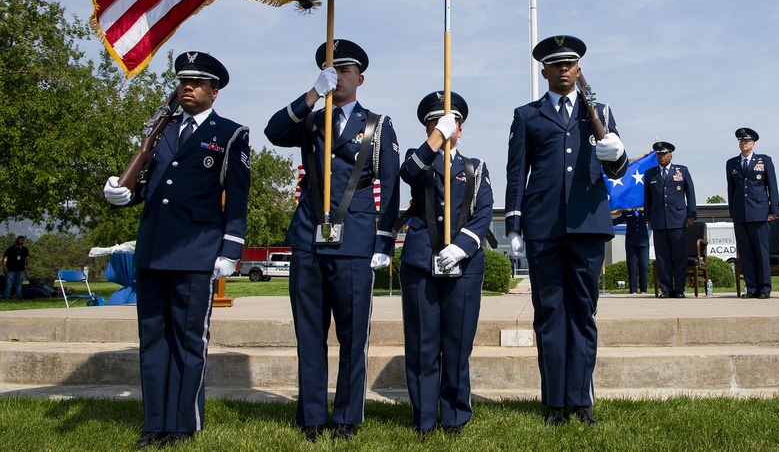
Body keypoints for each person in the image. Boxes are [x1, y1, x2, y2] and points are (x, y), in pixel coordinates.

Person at [103, 52, 250, 449]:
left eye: (198, 82)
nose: (188, 87)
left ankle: (183, 423)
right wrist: (122, 191)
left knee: (188, 342)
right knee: (152, 339)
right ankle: (155, 424)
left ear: (214, 92)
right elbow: (151, 186)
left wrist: (230, 249)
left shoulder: (231, 134)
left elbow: (237, 198)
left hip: (196, 251)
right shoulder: (161, 130)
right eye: (184, 80)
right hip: (152, 250)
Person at [265, 39, 400, 441]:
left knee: (352, 335)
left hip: (354, 241)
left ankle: (346, 416)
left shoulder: (376, 125)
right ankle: (311, 417)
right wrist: (311, 94)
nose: (338, 76)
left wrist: (383, 242)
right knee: (309, 334)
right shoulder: (311, 119)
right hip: (309, 236)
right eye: (331, 69)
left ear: (360, 77)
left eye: (345, 70)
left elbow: (390, 187)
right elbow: (274, 131)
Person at [505, 35, 628, 426]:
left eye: (570, 63)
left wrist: (618, 154)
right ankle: (555, 402)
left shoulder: (600, 111)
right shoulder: (527, 115)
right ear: (543, 71)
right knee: (550, 312)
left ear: (578, 69)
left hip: (588, 224)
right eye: (555, 64)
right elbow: (516, 173)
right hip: (544, 226)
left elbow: (615, 169)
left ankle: (581, 398)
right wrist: (514, 222)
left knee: (583, 312)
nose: (563, 70)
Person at [398, 91, 494, 436]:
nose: (445, 129)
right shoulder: (418, 158)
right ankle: (423, 418)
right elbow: (410, 172)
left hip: (464, 267)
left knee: (456, 345)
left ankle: (454, 415)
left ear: (461, 129)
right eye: (435, 124)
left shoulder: (475, 168)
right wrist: (436, 138)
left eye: (452, 124)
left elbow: (483, 213)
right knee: (423, 344)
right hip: (421, 261)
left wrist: (463, 247)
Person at [726, 127, 779, 299]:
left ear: (753, 143)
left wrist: (774, 210)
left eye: (747, 141)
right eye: (741, 141)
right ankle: (751, 288)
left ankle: (764, 288)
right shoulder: (732, 163)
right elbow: (731, 189)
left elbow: (772, 186)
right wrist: (732, 211)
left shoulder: (764, 160)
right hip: (740, 213)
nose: (744, 143)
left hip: (760, 212)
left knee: (761, 252)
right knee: (746, 252)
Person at [644, 141, 697, 298]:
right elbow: (647, 198)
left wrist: (691, 215)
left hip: (678, 220)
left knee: (680, 256)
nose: (661, 157)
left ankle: (679, 289)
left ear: (670, 155)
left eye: (664, 154)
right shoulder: (650, 174)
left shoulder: (681, 171)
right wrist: (648, 218)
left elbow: (690, 194)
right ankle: (666, 289)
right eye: (659, 154)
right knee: (662, 257)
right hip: (659, 221)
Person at [615, 209, 648, 294]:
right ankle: (633, 290)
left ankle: (643, 289)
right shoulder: (627, 212)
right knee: (632, 267)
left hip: (643, 242)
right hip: (631, 242)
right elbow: (617, 220)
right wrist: (605, 219)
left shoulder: (644, 211)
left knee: (644, 265)